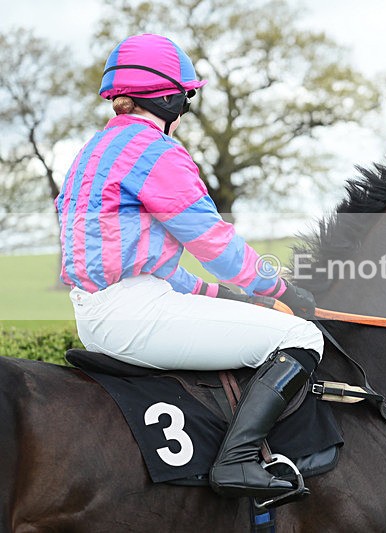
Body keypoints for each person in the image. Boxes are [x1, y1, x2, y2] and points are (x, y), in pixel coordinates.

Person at [55, 33, 323, 501]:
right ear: (169, 98)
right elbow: (213, 243)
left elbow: (149, 266)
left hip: (101, 313)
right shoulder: (154, 151)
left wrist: (225, 295)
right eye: (187, 99)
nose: (184, 111)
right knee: (302, 337)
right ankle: (237, 460)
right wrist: (279, 289)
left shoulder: (91, 152)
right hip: (135, 314)